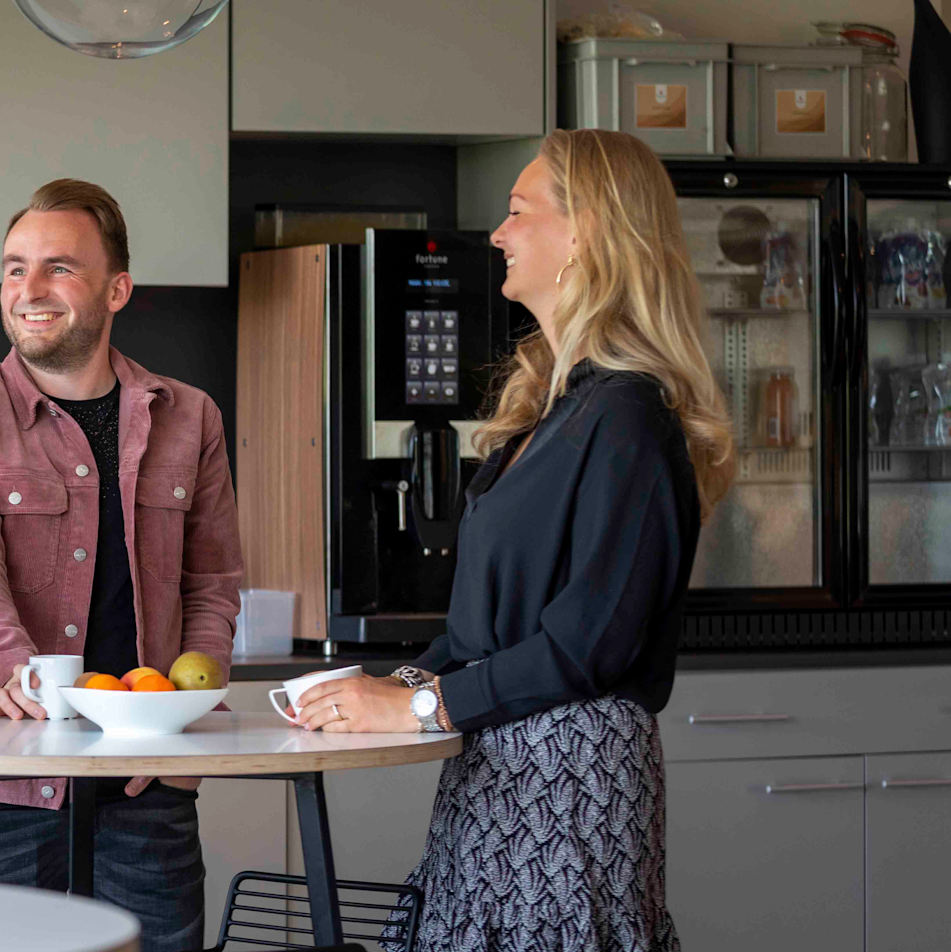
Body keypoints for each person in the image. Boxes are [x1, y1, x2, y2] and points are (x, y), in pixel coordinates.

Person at [287, 129, 736, 951]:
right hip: (497, 772)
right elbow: (478, 631)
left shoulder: (630, 417)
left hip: (571, 784)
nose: (496, 233)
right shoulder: (554, 412)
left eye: (518, 210)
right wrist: (385, 686)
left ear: (586, 234)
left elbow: (587, 644)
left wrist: (419, 705)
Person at [0, 178, 244, 952]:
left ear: (116, 288)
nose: (29, 289)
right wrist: (17, 675)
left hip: (145, 778)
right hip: (2, 778)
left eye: (58, 267)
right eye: (14, 267)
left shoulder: (188, 416)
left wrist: (183, 725)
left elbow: (213, 582)